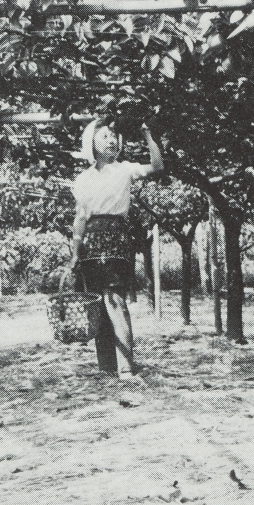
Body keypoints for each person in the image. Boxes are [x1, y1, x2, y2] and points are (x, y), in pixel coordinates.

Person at [70, 117, 163, 379]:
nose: (111, 141)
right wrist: (75, 252)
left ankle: (126, 366)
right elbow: (80, 218)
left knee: (115, 301)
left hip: (116, 237)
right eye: (105, 137)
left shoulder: (125, 169)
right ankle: (106, 366)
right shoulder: (83, 179)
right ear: (93, 144)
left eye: (114, 137)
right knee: (98, 304)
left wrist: (147, 136)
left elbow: (157, 166)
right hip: (91, 240)